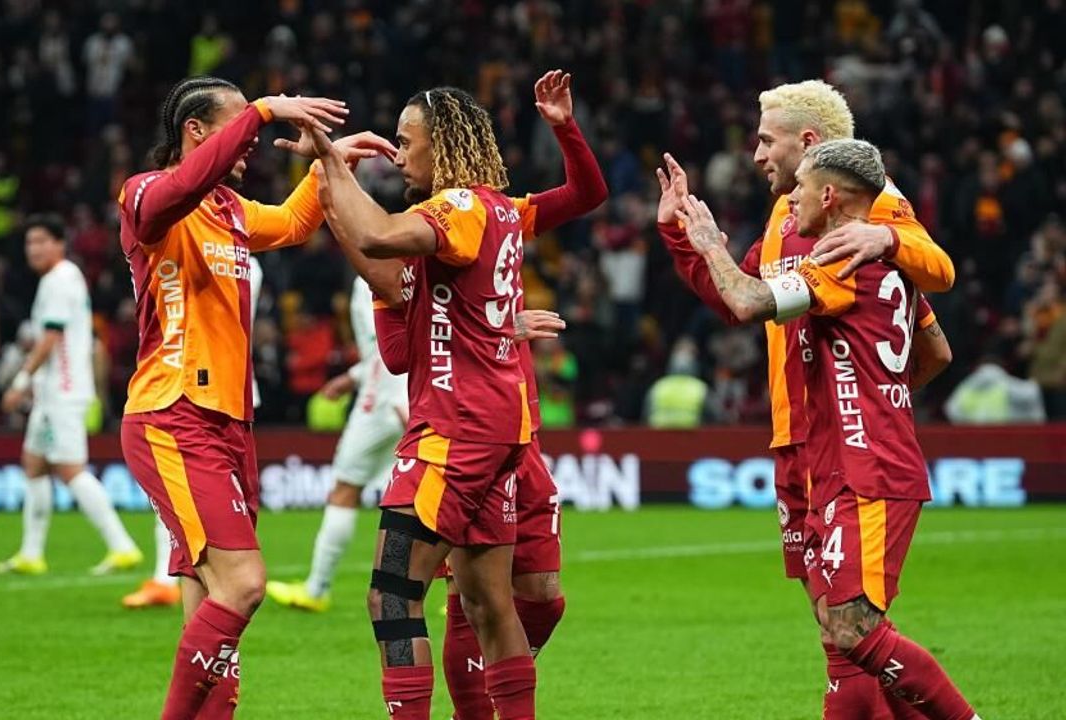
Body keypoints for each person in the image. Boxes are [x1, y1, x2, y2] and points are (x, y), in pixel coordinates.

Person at [303, 69, 605, 720]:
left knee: (392, 594)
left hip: (454, 430)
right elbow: (398, 342)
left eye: (406, 141)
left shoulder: (458, 208)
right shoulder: (493, 213)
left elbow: (379, 237)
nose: (397, 154)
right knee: (487, 604)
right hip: (493, 428)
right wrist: (330, 192)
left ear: (441, 145)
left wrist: (330, 162)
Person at [656, 79, 955, 717]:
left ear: (809, 143)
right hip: (799, 443)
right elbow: (736, 298)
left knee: (851, 628)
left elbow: (940, 269)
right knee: (841, 628)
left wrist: (890, 242)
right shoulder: (786, 216)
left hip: (852, 450)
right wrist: (682, 237)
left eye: (766, 140)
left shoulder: (868, 215)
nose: (757, 154)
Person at [115, 75, 389, 719]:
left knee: (212, 599)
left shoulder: (229, 211)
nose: (253, 140)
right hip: (173, 412)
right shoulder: (145, 194)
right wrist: (264, 109)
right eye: (239, 125)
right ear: (195, 131)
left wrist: (328, 165)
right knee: (243, 585)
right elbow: (176, 189)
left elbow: (292, 223)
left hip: (230, 424)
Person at [0, 215, 141, 576]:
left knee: (70, 469)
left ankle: (122, 546)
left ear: (59, 244)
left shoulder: (59, 280)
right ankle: (31, 554)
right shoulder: (60, 278)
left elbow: (50, 338)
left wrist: (20, 382)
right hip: (52, 393)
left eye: (41, 241)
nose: (34, 249)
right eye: (30, 242)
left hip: (64, 391)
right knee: (34, 463)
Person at [123, 256, 264, 610]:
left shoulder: (223, 255)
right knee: (189, 514)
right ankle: (165, 581)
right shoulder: (209, 252)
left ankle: (168, 583)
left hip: (211, 396)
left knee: (219, 547)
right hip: (209, 394)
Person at [263, 275, 409, 612]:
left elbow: (386, 351)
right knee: (434, 492)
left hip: (384, 402)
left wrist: (391, 399)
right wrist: (352, 378)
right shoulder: (412, 267)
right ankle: (459, 597)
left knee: (345, 488)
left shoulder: (369, 278)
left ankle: (316, 589)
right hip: (417, 393)